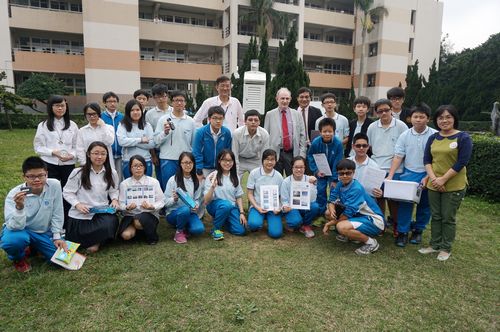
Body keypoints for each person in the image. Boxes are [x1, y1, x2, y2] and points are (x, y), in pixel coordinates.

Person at [420, 105, 472, 261]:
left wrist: (443, 179)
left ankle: (445, 247)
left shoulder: (463, 137)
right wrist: (435, 179)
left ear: (454, 118)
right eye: (441, 117)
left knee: (448, 217)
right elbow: (427, 160)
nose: (444, 120)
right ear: (436, 120)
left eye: (448, 117)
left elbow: (462, 162)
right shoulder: (433, 137)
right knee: (435, 216)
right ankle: (434, 244)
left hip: (453, 185)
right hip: (433, 183)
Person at [1, 157, 67, 272]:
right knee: (12, 241)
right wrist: (19, 208)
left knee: (61, 262)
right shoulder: (15, 194)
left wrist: (57, 236)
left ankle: (33, 248)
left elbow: (58, 212)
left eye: (41, 175)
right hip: (21, 230)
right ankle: (19, 258)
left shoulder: (54, 185)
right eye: (31, 176)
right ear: (24, 177)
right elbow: (14, 227)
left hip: (44, 232)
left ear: (46, 174)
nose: (37, 180)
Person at [387, 103, 437, 247]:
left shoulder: (434, 135)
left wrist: (428, 176)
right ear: (410, 118)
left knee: (425, 204)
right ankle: (402, 232)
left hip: (429, 173)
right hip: (409, 173)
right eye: (415, 116)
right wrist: (390, 175)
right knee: (405, 204)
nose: (418, 119)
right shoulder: (405, 135)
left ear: (428, 118)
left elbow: (436, 158)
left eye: (422, 117)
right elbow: (398, 156)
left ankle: (418, 230)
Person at [63, 141, 120, 253]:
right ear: (89, 154)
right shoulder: (78, 172)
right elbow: (67, 192)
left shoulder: (112, 173)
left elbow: (114, 190)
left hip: (101, 213)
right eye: (96, 153)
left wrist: (114, 199)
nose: (99, 157)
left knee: (111, 222)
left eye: (103, 153)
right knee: (75, 235)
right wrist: (77, 204)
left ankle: (96, 242)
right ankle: (96, 241)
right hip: (80, 214)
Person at [323, 159, 385, 255]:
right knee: (328, 213)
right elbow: (331, 200)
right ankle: (350, 235)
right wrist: (332, 210)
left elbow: (346, 215)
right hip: (358, 216)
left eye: (348, 173)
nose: (344, 176)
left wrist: (329, 224)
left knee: (341, 226)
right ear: (338, 174)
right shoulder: (340, 183)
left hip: (374, 221)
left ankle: (371, 243)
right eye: (341, 173)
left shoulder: (356, 188)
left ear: (354, 173)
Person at [366, 98, 407, 236]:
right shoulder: (372, 127)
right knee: (378, 198)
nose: (384, 113)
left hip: (395, 169)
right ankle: (380, 224)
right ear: (376, 113)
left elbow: (405, 148)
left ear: (391, 110)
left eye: (386, 110)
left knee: (394, 200)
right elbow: (369, 147)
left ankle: (396, 225)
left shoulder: (401, 126)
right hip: (376, 168)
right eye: (380, 111)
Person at [34, 95, 78, 190]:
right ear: (51, 107)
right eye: (57, 105)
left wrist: (72, 155)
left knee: (68, 189)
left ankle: (67, 206)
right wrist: (53, 152)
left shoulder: (73, 125)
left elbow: (77, 146)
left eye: (63, 105)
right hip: (49, 163)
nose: (60, 108)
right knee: (51, 189)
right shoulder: (43, 126)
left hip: (68, 164)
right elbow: (38, 147)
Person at [118, 155, 165, 245]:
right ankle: (140, 232)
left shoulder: (153, 182)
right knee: (126, 235)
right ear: (130, 168)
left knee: (138, 222)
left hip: (148, 214)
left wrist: (152, 206)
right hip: (130, 215)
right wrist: (127, 207)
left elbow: (161, 201)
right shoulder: (124, 184)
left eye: (140, 165)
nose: (138, 168)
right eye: (135, 166)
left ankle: (148, 232)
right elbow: (121, 204)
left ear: (144, 167)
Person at [154, 90, 196, 189]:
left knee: (185, 188)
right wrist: (164, 133)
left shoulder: (191, 121)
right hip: (168, 159)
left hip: (186, 161)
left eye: (182, 100)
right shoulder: (163, 119)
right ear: (171, 102)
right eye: (176, 100)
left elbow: (193, 143)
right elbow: (156, 141)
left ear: (185, 102)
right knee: (168, 188)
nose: (179, 103)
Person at [203, 150, 247, 241]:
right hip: (215, 206)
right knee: (225, 205)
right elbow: (206, 201)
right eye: (224, 160)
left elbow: (238, 196)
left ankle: (223, 220)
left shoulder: (235, 176)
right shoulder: (212, 176)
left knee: (241, 231)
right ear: (219, 161)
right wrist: (212, 187)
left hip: (231, 207)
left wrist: (242, 213)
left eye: (230, 161)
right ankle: (215, 229)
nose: (227, 163)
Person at [164, 152, 205, 244]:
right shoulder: (172, 180)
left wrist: (196, 205)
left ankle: (184, 226)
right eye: (185, 162)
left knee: (199, 230)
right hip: (174, 213)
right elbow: (165, 202)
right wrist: (173, 199)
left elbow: (197, 199)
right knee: (185, 209)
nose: (188, 165)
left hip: (190, 213)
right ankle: (179, 232)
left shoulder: (196, 181)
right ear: (180, 164)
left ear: (193, 164)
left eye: (190, 162)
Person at [264, 87, 306, 176]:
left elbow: (303, 135)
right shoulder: (270, 114)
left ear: (290, 99)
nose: (285, 101)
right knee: (275, 180)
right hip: (275, 153)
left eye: (287, 98)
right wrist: (267, 155)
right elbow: (266, 136)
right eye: (282, 98)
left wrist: (301, 155)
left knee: (293, 180)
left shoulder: (297, 114)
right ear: (277, 99)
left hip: (291, 154)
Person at [307, 117, 344, 212]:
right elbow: (310, 156)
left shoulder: (338, 144)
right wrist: (316, 170)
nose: (327, 134)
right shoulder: (316, 142)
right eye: (324, 131)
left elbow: (338, 161)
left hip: (333, 172)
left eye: (330, 131)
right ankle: (321, 211)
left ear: (334, 131)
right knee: (320, 190)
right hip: (321, 172)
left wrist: (335, 179)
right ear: (320, 132)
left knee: (333, 190)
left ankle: (332, 211)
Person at [247, 149, 284, 239]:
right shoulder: (254, 173)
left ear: (276, 161)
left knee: (276, 234)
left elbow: (281, 196)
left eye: (272, 159)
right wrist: (257, 207)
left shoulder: (279, 176)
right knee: (253, 224)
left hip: (273, 208)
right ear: (262, 160)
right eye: (267, 159)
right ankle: (259, 218)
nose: (269, 162)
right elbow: (249, 193)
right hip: (258, 206)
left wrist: (279, 208)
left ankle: (269, 220)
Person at [281, 156, 321, 238]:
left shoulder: (309, 179)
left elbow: (313, 199)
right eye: (296, 167)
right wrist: (286, 206)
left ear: (304, 168)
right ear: (292, 167)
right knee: (295, 222)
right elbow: (284, 200)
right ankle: (295, 222)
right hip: (292, 207)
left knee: (315, 206)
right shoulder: (286, 181)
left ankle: (305, 225)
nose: (299, 170)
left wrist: (313, 185)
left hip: (304, 206)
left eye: (301, 167)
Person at [116, 100, 155, 179]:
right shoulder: (122, 125)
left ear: (141, 111)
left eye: (138, 110)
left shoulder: (147, 125)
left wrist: (130, 141)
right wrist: (140, 140)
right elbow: (121, 141)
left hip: (145, 160)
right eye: (132, 110)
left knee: (146, 188)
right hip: (128, 161)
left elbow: (152, 144)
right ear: (128, 112)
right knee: (130, 188)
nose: (135, 112)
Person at [192, 106, 232, 181]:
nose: (218, 121)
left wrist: (224, 167)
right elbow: (197, 152)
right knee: (203, 191)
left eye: (220, 118)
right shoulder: (201, 132)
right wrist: (199, 170)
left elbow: (228, 151)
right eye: (215, 118)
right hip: (204, 168)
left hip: (220, 167)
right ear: (209, 119)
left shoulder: (226, 132)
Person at [145, 83, 173, 190]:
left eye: (163, 96)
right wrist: (153, 155)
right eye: (158, 96)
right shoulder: (150, 114)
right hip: (158, 150)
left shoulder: (174, 111)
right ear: (154, 98)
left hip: (173, 150)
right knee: (161, 178)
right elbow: (150, 135)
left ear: (167, 96)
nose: (161, 99)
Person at [231, 109, 270, 179]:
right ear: (245, 122)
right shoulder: (237, 133)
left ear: (259, 122)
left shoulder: (264, 134)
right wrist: (235, 172)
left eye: (256, 120)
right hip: (240, 160)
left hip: (255, 160)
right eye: (250, 120)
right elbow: (234, 154)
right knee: (234, 181)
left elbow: (264, 155)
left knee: (260, 180)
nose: (253, 122)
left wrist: (263, 170)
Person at [348, 133, 383, 198]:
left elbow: (376, 189)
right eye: (358, 146)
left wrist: (379, 192)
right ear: (353, 146)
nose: (361, 148)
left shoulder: (374, 166)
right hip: (348, 198)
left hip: (367, 199)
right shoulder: (347, 163)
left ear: (368, 147)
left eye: (364, 146)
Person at [101, 91, 124, 181]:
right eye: (109, 101)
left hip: (120, 153)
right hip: (106, 153)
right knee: (107, 177)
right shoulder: (100, 117)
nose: (112, 103)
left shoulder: (122, 117)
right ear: (105, 103)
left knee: (119, 177)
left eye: (114, 101)